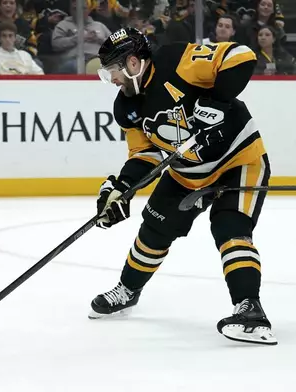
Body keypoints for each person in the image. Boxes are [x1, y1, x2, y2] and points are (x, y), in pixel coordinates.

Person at [89, 27, 275, 345]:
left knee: (230, 226)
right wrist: (122, 187)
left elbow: (241, 56)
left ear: (133, 63)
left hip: (239, 160)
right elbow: (144, 153)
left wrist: (217, 100)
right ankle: (128, 290)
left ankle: (251, 311)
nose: (113, 80)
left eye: (113, 72)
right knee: (154, 229)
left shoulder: (176, 60)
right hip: (187, 173)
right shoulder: (127, 108)